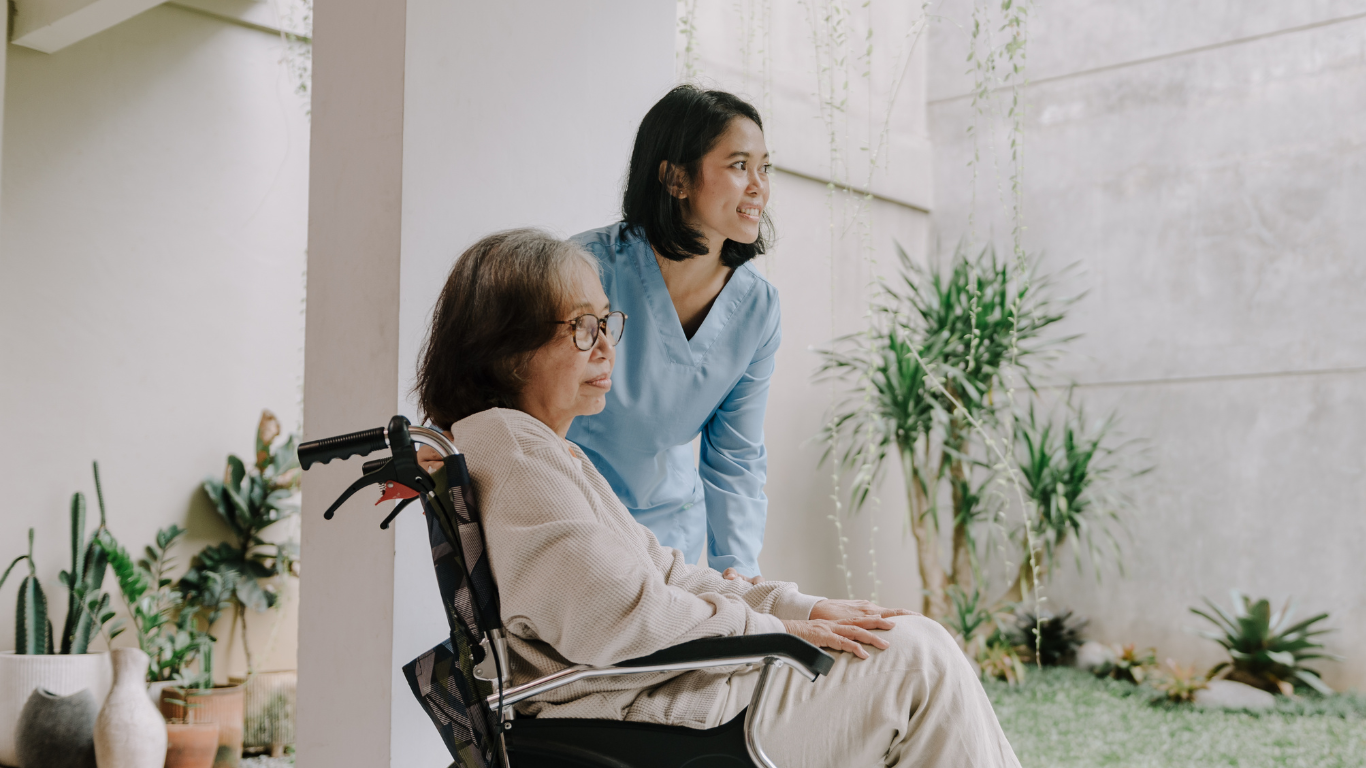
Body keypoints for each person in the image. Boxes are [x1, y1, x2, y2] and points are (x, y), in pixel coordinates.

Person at [413, 228, 1022, 768]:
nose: (605, 347)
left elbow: (663, 571)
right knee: (920, 662)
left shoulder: (532, 448)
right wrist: (774, 628)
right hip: (648, 710)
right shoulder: (516, 450)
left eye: (605, 322)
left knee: (912, 643)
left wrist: (798, 608)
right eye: (580, 327)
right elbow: (623, 617)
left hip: (662, 691)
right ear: (507, 346)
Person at [567, 85, 780, 582]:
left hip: (672, 544)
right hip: (574, 520)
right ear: (676, 178)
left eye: (764, 167)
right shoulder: (585, 269)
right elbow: (521, 405)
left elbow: (735, 454)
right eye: (738, 165)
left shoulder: (757, 307)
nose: (759, 186)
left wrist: (739, 571)